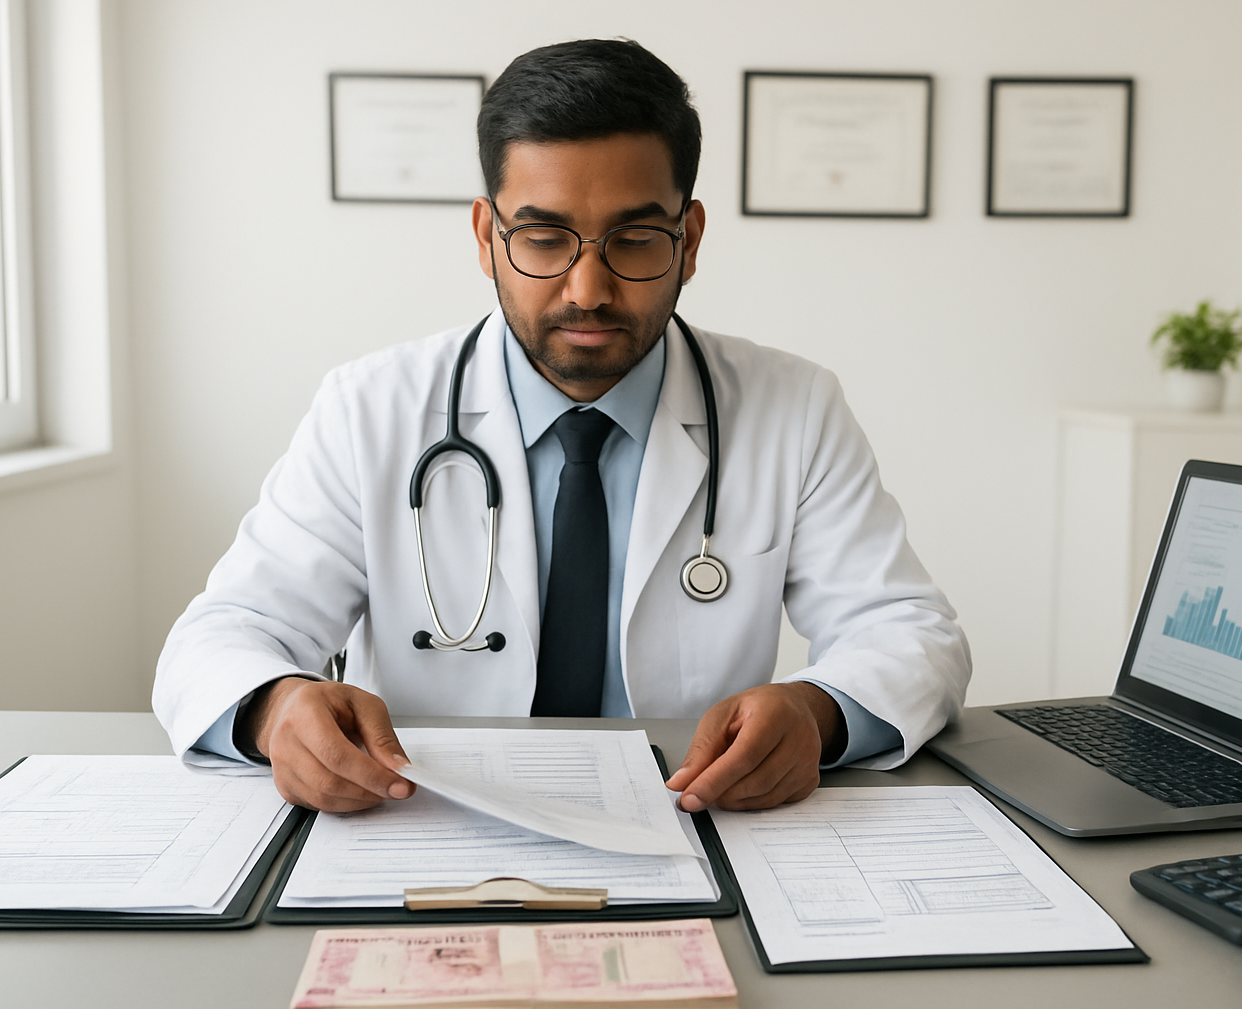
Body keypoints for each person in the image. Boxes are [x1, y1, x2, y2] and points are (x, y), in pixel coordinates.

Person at [152, 38, 971, 815]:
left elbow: (910, 634)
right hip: (428, 822)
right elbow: (224, 635)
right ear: (486, 237)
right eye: (544, 239)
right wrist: (273, 707)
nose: (587, 287)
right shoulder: (370, 408)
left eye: (635, 239)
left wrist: (820, 713)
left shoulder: (793, 406)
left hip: (691, 818)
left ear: (688, 242)